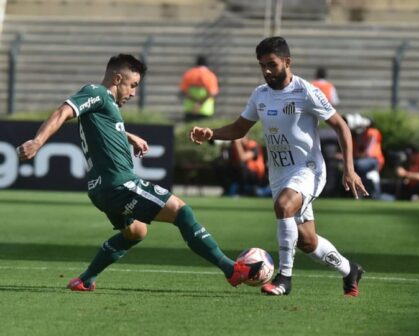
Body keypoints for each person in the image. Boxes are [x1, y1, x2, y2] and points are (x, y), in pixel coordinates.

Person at [16, 54, 260, 291]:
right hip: (119, 183)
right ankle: (231, 270)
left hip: (101, 189)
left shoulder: (106, 104)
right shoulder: (96, 92)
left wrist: (128, 136)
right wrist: (38, 142)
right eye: (132, 85)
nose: (133, 93)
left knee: (135, 231)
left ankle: (85, 279)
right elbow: (63, 112)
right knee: (181, 211)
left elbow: (104, 128)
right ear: (118, 79)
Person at [190, 36, 368, 297]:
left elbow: (341, 126)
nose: (266, 71)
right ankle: (349, 270)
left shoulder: (306, 91)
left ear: (287, 62)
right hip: (279, 173)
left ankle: (285, 279)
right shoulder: (260, 94)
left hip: (308, 169)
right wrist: (212, 133)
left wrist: (349, 169)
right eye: (262, 65)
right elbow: (240, 128)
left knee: (283, 206)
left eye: (272, 64)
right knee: (307, 241)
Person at [345, 113, 384, 199]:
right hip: (366, 160)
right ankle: (362, 192)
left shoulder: (373, 132)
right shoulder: (361, 134)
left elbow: (368, 151)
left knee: (357, 165)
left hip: (374, 160)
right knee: (355, 167)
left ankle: (363, 192)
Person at [179, 55, 219, 122]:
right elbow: (212, 93)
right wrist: (200, 103)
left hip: (190, 109)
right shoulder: (210, 75)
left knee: (190, 131)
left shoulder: (189, 74)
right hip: (205, 110)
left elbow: (183, 91)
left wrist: (195, 101)